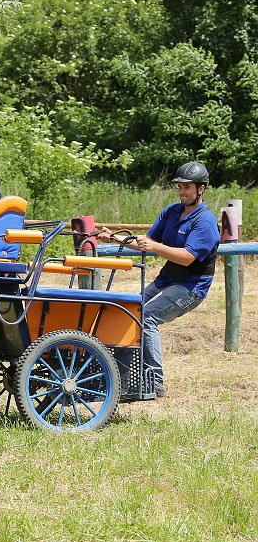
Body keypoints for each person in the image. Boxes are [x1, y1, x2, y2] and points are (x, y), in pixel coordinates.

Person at [98, 161, 220, 397]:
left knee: (147, 316)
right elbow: (145, 242)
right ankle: (121, 375)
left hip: (191, 287)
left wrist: (155, 247)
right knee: (127, 310)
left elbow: (186, 258)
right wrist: (114, 239)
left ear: (201, 189)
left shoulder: (204, 221)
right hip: (167, 280)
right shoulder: (172, 211)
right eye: (180, 187)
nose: (182, 191)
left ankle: (154, 382)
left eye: (187, 187)